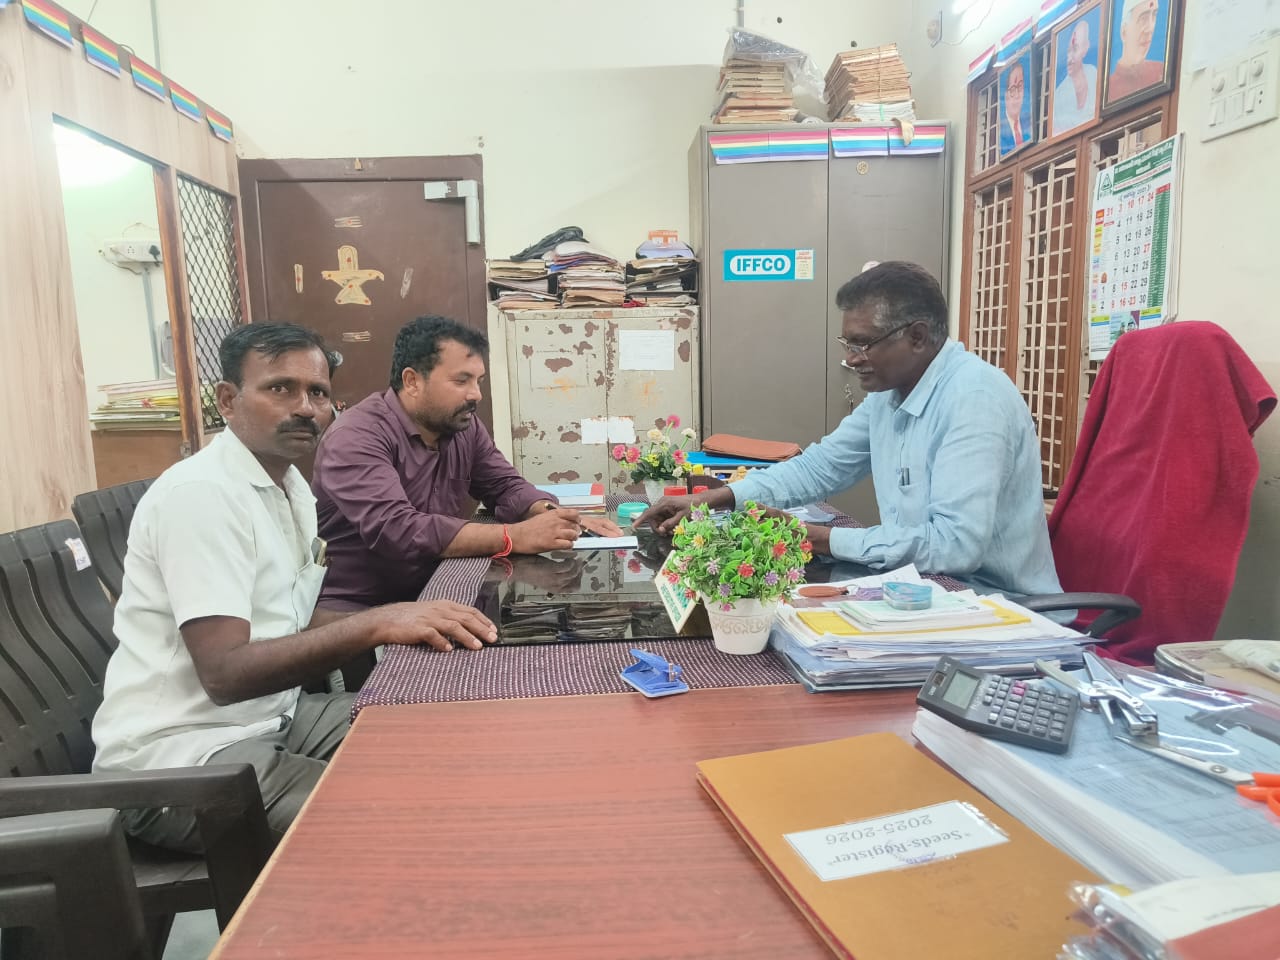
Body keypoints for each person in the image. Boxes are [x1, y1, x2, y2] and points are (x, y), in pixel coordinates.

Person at [92, 323, 497, 852]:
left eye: (318, 393)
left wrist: (412, 619)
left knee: (448, 729)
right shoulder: (202, 495)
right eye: (280, 388)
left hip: (275, 717)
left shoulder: (289, 490)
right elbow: (225, 675)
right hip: (183, 760)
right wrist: (379, 622)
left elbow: (291, 622)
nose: (305, 408)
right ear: (228, 400)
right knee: (406, 819)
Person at [636, 262, 1061, 597]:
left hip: (995, 606)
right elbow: (819, 468)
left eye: (863, 344)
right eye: (847, 345)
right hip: (919, 587)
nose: (852, 359)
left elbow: (954, 546)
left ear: (917, 336)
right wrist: (720, 498)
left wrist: (816, 538)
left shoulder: (974, 398)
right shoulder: (889, 394)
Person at [312, 315, 621, 610]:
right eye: (462, 381)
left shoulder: (463, 426)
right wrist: (514, 536)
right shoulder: (357, 436)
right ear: (412, 381)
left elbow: (505, 486)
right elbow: (398, 530)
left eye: (479, 381)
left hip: (436, 585)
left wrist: (557, 518)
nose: (476, 395)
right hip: (360, 607)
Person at [1108, 0, 1164, 102]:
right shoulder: (1109, 89)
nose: (1150, 28)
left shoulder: (1161, 71)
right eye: (1143, 19)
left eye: (1154, 15)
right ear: (1124, 32)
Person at [1052, 17, 1098, 135]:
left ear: (1086, 48)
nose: (1069, 58)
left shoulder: (1094, 74)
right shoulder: (1059, 97)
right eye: (1068, 51)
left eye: (1075, 49)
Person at [1003, 60, 1030, 150]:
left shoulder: (1028, 121)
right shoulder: (999, 129)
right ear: (1005, 95)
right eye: (1013, 89)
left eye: (1020, 86)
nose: (1017, 95)